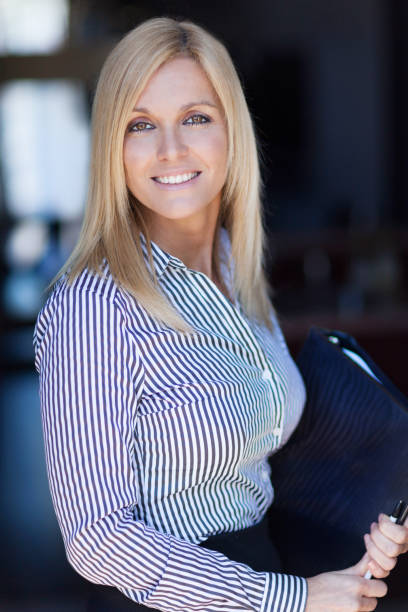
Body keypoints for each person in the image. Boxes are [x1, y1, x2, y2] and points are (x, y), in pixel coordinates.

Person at [34, 17, 408, 612]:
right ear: (113, 147)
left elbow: (259, 465)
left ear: (231, 129)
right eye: (140, 125)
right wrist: (289, 599)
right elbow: (96, 537)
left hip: (273, 570)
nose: (171, 149)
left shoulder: (235, 269)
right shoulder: (93, 306)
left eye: (195, 118)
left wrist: (366, 523)